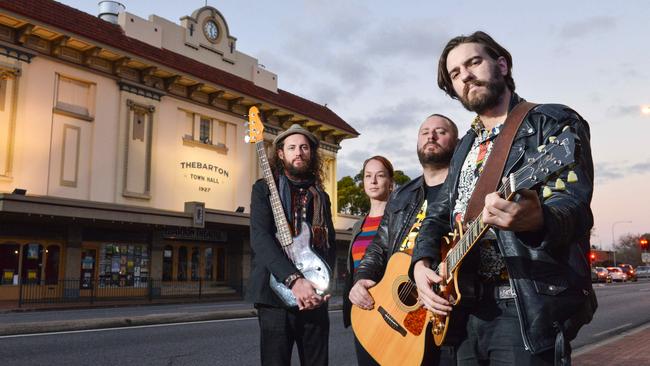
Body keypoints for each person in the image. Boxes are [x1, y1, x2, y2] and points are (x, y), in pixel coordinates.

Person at [411, 31, 596, 365]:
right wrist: (421, 263)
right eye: (455, 74)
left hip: (522, 306)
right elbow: (438, 214)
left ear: (501, 65)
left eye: (473, 62)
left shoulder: (551, 123)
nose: (465, 75)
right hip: (463, 312)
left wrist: (540, 220)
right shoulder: (465, 146)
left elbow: (575, 207)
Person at [349, 114, 459, 365]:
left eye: (440, 131)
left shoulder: (464, 192)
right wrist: (361, 278)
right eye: (424, 132)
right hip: (392, 305)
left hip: (439, 311)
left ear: (457, 141)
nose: (431, 136)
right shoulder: (401, 195)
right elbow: (379, 245)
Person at [247, 124, 336, 366]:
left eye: (304, 147)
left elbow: (330, 245)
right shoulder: (264, 189)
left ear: (312, 154)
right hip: (275, 298)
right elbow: (260, 239)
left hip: (314, 296)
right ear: (281, 154)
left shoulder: (321, 196)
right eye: (292, 147)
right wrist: (294, 280)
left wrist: (325, 287)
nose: (299, 152)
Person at [341, 155, 395, 365]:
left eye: (379, 176)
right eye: (368, 176)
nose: (373, 181)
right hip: (363, 311)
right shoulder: (358, 226)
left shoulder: (399, 220)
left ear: (391, 183)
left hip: (392, 309)